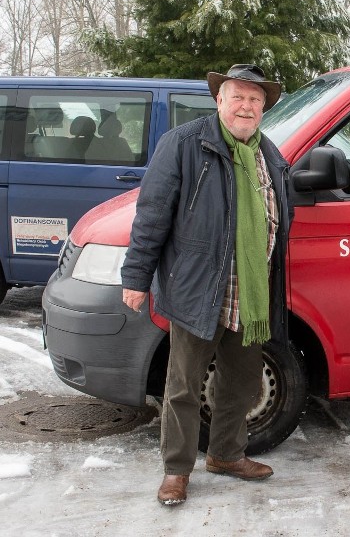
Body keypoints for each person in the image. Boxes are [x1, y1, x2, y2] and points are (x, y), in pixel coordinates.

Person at [120, 64, 292, 506]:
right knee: (183, 385)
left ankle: (226, 454)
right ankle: (177, 470)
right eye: (238, 96)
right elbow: (152, 215)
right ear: (219, 100)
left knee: (241, 382)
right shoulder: (183, 144)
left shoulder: (269, 156)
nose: (246, 106)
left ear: (264, 109)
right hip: (198, 289)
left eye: (255, 100)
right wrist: (136, 276)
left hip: (250, 293)